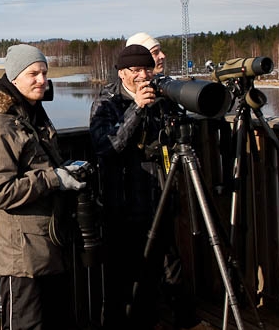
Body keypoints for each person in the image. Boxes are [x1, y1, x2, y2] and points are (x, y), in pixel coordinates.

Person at [89, 45, 211, 330]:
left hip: (159, 197)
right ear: (122, 73)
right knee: (123, 281)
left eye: (148, 69)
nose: (144, 76)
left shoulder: (161, 98)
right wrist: (137, 108)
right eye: (136, 70)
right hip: (123, 205)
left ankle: (181, 320)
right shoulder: (106, 101)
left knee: (168, 269)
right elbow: (107, 146)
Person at [0, 44, 85, 330]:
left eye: (45, 73)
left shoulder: (32, 115)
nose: (42, 80)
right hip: (21, 257)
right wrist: (54, 179)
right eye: (33, 74)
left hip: (48, 244)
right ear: (14, 78)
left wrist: (65, 172)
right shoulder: (0, 124)